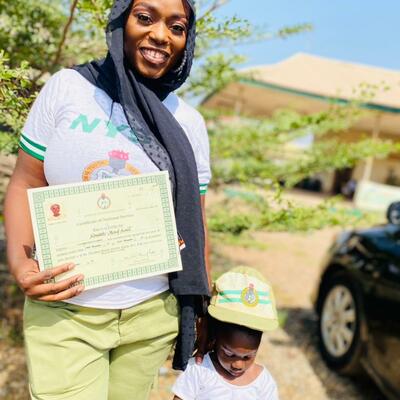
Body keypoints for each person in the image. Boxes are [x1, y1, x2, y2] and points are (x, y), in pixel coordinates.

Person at [4, 0, 211, 399]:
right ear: (120, 22)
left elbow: (196, 221)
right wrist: (19, 261)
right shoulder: (69, 89)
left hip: (151, 315)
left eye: (177, 27)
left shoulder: (189, 123)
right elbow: (26, 182)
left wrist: (201, 306)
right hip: (67, 308)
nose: (160, 35)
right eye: (145, 18)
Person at [172, 266, 280, 400]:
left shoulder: (263, 383)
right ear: (214, 338)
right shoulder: (200, 370)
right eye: (229, 354)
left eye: (247, 357)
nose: (238, 365)